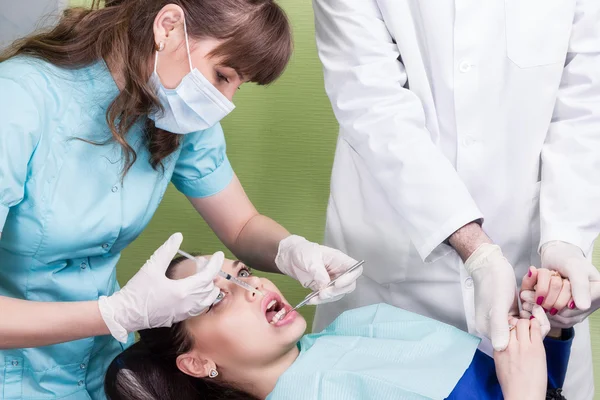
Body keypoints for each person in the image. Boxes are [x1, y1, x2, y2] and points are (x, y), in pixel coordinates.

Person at [0, 1, 363, 398]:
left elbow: (241, 226)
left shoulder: (174, 109)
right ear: (168, 26)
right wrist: (117, 313)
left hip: (99, 365)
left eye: (237, 85)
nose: (226, 100)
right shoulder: (18, 102)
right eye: (223, 75)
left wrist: (290, 250)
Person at [311, 1, 600, 397]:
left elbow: (587, 110)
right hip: (399, 274)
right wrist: (477, 252)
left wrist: (566, 237)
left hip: (529, 268)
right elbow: (373, 106)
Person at [104, 255, 581, 400]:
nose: (251, 287)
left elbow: (535, 382)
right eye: (214, 297)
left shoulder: (361, 322)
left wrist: (551, 330)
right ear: (196, 361)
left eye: (241, 273)